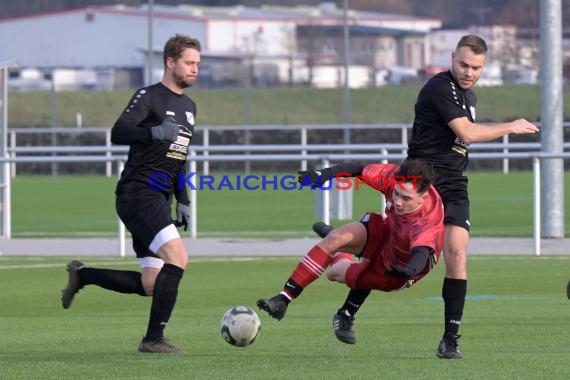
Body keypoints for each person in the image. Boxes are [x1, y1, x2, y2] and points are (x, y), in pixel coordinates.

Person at [324, 35, 540, 358]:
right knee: (389, 255)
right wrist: (511, 126)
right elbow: (466, 133)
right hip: (419, 183)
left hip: (453, 185)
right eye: (464, 64)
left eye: (476, 67)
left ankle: (450, 340)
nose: (469, 72)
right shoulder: (439, 88)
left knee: (457, 252)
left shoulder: (470, 97)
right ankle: (346, 312)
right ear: (452, 57)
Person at [60, 34, 201, 353]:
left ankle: (84, 276)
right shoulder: (149, 96)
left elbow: (180, 154)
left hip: (160, 198)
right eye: (189, 63)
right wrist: (153, 132)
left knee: (152, 284)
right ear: (170, 62)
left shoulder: (189, 106)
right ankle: (153, 340)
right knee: (178, 258)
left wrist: (185, 199)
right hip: (138, 194)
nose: (194, 69)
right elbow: (118, 132)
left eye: (197, 64)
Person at [257, 159, 445, 346]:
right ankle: (283, 299)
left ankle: (344, 301)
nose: (397, 201)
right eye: (396, 194)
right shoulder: (396, 177)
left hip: (398, 270)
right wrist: (324, 175)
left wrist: (408, 270)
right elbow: (357, 168)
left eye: (406, 198)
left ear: (424, 197)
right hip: (386, 233)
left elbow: (421, 254)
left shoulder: (427, 222)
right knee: (335, 240)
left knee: (334, 273)